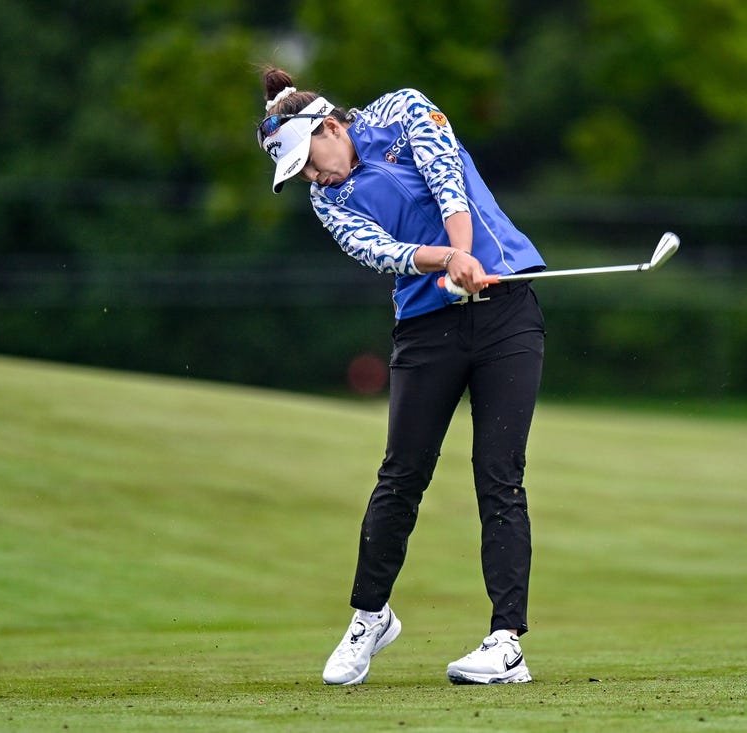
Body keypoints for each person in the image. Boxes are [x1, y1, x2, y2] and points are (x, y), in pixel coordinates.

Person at [256, 67, 546, 686]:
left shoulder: (403, 110)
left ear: (332, 126)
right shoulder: (327, 198)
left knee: (500, 474)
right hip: (426, 328)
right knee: (401, 474)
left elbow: (447, 179)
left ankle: (506, 643)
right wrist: (445, 260)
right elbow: (377, 249)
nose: (314, 177)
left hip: (506, 312)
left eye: (312, 160)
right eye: (301, 173)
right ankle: (370, 617)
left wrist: (464, 250)